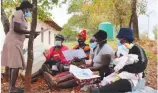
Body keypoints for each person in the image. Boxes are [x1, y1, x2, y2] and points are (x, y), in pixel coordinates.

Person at [43, 30, 114, 89]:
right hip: (94, 70)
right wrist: (86, 67)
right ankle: (55, 80)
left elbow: (103, 67)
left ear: (100, 39)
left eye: (96, 38)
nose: (94, 40)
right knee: (76, 71)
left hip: (101, 74)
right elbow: (92, 63)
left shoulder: (106, 50)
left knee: (79, 78)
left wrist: (87, 69)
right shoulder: (97, 47)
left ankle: (56, 85)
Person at [1, 1, 43, 93]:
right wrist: (31, 32)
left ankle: (11, 88)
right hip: (13, 42)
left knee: (13, 65)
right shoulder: (18, 13)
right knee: (15, 65)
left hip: (15, 42)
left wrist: (31, 35)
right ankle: (12, 89)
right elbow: (16, 29)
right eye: (29, 9)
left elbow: (21, 33)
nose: (29, 12)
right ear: (25, 8)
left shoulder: (22, 16)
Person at [90, 28, 148, 93]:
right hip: (118, 74)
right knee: (107, 78)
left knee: (120, 83)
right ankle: (99, 87)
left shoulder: (137, 48)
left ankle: (99, 91)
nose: (119, 41)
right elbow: (116, 63)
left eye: (120, 39)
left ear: (125, 39)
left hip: (132, 78)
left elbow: (142, 66)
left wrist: (123, 68)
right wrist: (114, 69)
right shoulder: (120, 50)